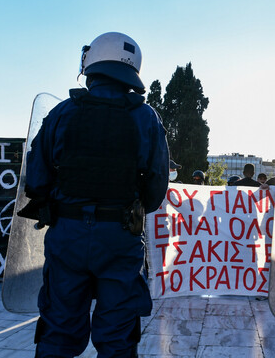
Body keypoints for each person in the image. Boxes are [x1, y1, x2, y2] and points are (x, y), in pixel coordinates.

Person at [23, 32, 170, 358]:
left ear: (91, 64)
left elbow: (35, 180)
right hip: (119, 236)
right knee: (117, 336)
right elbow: (157, 187)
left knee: (58, 331)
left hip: (67, 235)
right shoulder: (146, 118)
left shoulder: (61, 113)